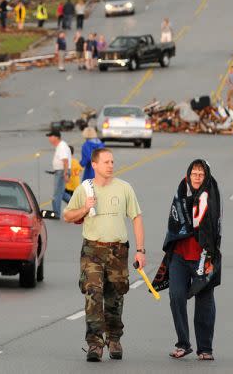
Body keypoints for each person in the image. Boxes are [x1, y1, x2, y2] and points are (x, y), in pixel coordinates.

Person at [63, 148, 145, 362]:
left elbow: (136, 218)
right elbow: (67, 215)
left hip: (118, 250)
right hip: (93, 250)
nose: (110, 165)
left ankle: (114, 338)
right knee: (93, 294)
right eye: (106, 162)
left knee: (115, 296)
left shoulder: (124, 188)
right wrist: (84, 208)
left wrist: (140, 250)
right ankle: (95, 344)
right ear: (95, 165)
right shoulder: (85, 189)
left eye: (112, 161)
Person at [155, 159, 221, 361]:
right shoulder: (181, 193)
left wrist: (210, 257)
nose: (197, 177)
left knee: (205, 302)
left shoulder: (210, 196)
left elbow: (213, 228)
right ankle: (183, 344)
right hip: (180, 256)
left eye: (201, 174)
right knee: (176, 297)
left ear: (206, 176)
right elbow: (174, 222)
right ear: (188, 175)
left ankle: (205, 348)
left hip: (203, 258)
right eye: (194, 173)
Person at [48, 130, 72, 216]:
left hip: (62, 171)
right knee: (61, 193)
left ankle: (56, 213)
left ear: (56, 137)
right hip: (60, 171)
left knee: (57, 193)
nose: (49, 139)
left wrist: (65, 174)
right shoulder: (60, 146)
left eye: (50, 136)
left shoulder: (62, 146)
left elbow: (65, 161)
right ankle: (78, 206)